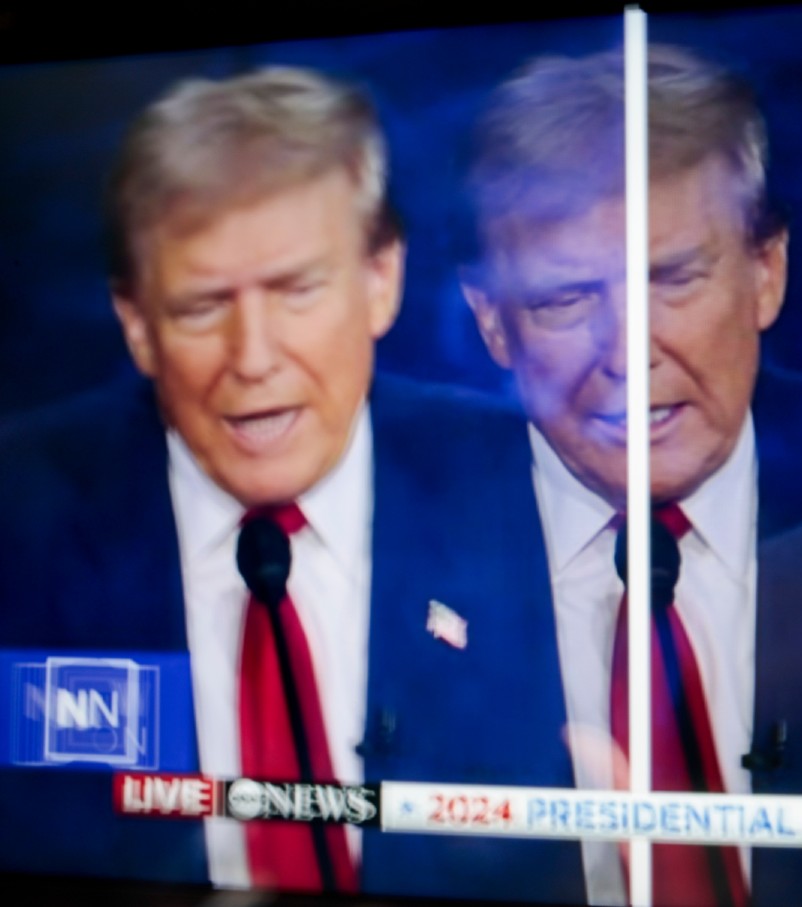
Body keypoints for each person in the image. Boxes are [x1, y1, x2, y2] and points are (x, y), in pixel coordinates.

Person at [0, 67, 584, 904]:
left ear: (380, 280)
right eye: (203, 306)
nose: (255, 357)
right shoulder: (21, 518)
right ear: (137, 325)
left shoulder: (533, 483)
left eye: (297, 290)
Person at [462, 45, 802, 907]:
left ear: (765, 271)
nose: (627, 353)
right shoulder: (389, 531)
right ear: (493, 326)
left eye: (673, 279)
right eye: (564, 299)